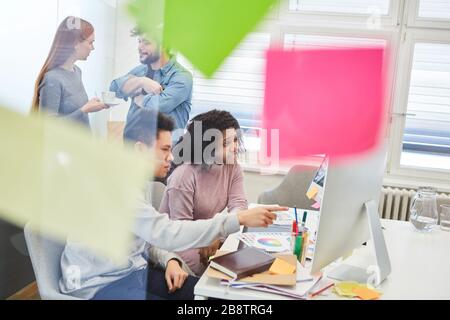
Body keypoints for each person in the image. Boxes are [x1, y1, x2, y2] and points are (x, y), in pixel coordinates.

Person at [59, 108, 286, 300]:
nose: (172, 157)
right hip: (99, 285)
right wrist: (236, 219)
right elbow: (167, 232)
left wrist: (170, 260)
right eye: (165, 150)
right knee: (205, 295)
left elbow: (147, 238)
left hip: (133, 271)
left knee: (205, 294)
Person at [159, 110, 248, 276]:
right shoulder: (184, 175)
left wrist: (217, 234)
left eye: (235, 140)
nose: (234, 147)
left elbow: (239, 206)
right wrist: (214, 234)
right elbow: (181, 230)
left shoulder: (232, 166)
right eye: (225, 144)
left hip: (207, 239)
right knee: (222, 277)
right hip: (178, 245)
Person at [110, 28, 192, 142]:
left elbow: (156, 107)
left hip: (163, 153)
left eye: (146, 42)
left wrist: (136, 96)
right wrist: (141, 82)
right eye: (139, 41)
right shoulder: (140, 71)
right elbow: (114, 88)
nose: (139, 47)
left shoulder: (181, 77)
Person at [32, 16, 107, 127]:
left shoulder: (77, 72)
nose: (93, 48)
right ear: (75, 43)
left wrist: (89, 106)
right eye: (90, 43)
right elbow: (47, 127)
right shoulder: (52, 79)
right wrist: (84, 110)